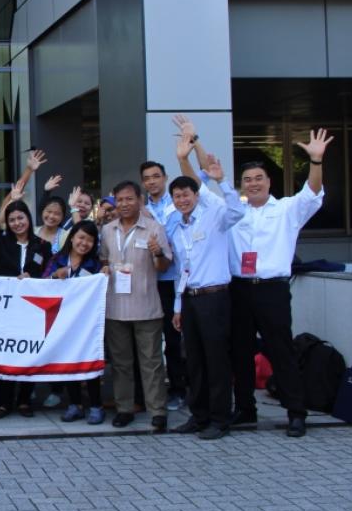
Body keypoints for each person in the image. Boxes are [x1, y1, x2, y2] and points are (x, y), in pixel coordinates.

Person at [229, 128, 333, 438]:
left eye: (258, 178)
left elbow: (312, 194)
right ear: (242, 185)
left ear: (268, 182)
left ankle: (296, 412)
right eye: (247, 180)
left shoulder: (286, 209)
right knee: (240, 351)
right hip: (240, 288)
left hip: (272, 289)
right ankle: (245, 408)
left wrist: (315, 161)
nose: (253, 183)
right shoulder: (235, 214)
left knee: (280, 351)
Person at [165, 132, 246, 440]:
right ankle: (198, 416)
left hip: (215, 298)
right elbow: (181, 271)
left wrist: (222, 181)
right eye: (178, 197)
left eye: (187, 194)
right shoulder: (179, 227)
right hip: (190, 298)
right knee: (194, 361)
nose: (182, 200)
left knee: (216, 360)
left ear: (196, 195)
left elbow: (237, 211)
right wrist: (177, 306)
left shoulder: (213, 217)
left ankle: (219, 418)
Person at [98, 180, 172, 432]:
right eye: (119, 200)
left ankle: (158, 411)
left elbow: (164, 267)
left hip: (146, 306)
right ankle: (124, 409)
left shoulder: (154, 228)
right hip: (115, 307)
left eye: (129, 199)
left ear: (140, 200)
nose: (124, 204)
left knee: (151, 362)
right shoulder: (108, 230)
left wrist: (158, 253)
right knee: (121, 363)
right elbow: (103, 260)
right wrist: (104, 267)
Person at [0, 199, 53, 419]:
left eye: (21, 218)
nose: (17, 223)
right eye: (12, 219)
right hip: (5, 309)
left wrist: (31, 278)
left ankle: (24, 400)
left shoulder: (42, 245)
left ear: (28, 219)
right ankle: (4, 403)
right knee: (5, 354)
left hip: (32, 309)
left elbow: (49, 274)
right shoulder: (0, 242)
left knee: (28, 353)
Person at [44, 220, 105, 424]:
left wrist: (104, 274)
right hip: (62, 321)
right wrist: (54, 276)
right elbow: (41, 283)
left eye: (89, 240)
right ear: (71, 238)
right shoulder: (57, 259)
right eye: (80, 237)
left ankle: (96, 406)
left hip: (87, 324)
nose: (84, 243)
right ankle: (75, 405)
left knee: (89, 362)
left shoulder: (95, 264)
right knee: (68, 363)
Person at [140, 158, 185, 412]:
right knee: (150, 339)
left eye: (156, 176)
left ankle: (179, 389)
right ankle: (155, 391)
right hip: (147, 281)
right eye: (147, 178)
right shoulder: (141, 208)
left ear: (165, 178)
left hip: (172, 281)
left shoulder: (176, 206)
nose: (152, 181)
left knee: (173, 337)